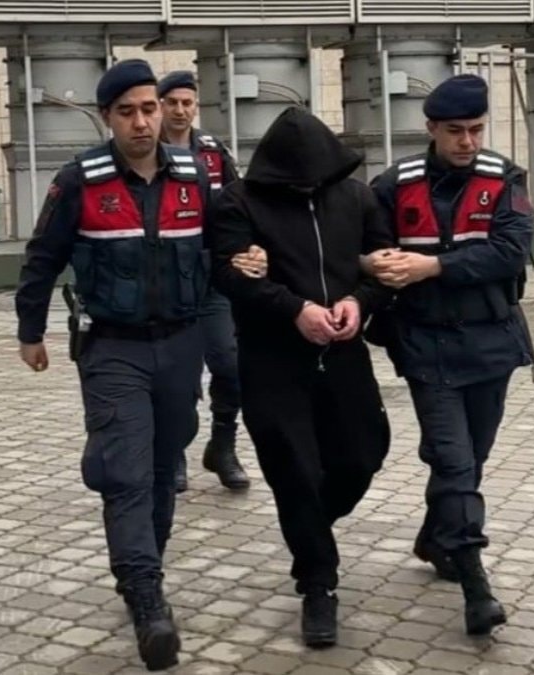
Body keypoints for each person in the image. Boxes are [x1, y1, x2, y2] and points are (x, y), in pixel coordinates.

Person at [14, 58, 214, 671]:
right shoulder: (80, 180)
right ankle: (149, 599)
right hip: (112, 348)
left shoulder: (195, 177)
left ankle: (141, 569)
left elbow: (227, 248)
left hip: (181, 345)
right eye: (127, 112)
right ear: (107, 117)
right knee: (126, 470)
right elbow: (42, 258)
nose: (142, 122)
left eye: (149, 108)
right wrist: (30, 331)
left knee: (163, 465)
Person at [209, 105, 393, 648]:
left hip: (344, 355)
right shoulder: (238, 202)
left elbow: (383, 265)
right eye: (297, 183)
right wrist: (294, 309)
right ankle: (318, 583)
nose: (308, 189)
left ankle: (309, 526)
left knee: (363, 455)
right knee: (294, 470)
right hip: (271, 360)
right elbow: (226, 275)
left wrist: (360, 303)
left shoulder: (356, 198)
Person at [365, 73, 534, 637]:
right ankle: (474, 585)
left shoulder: (504, 179)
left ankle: (435, 537)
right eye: (456, 131)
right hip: (426, 344)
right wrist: (374, 264)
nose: (467, 141)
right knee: (454, 460)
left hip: (491, 342)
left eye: (476, 130)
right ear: (432, 129)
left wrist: (433, 266)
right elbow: (365, 245)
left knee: (472, 457)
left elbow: (510, 251)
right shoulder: (394, 185)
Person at [156, 69, 250, 493]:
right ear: (160, 105)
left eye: (187, 103)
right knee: (178, 372)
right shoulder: (146, 149)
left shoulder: (213, 151)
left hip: (212, 277)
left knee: (229, 365)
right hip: (167, 279)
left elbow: (237, 204)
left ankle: (223, 446)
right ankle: (173, 452)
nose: (180, 110)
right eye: (172, 102)